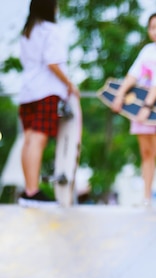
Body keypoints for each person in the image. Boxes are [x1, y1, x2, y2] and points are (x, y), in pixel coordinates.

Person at [111, 11, 156, 207]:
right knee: (146, 153)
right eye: (153, 28)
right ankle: (146, 198)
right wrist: (119, 96)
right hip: (139, 110)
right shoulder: (148, 50)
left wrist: (148, 106)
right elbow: (133, 75)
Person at [17, 0, 79, 207]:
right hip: (46, 91)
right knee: (38, 140)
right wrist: (69, 84)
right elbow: (52, 62)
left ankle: (28, 190)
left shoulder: (28, 32)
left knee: (27, 141)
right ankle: (33, 192)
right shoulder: (51, 30)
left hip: (26, 91)